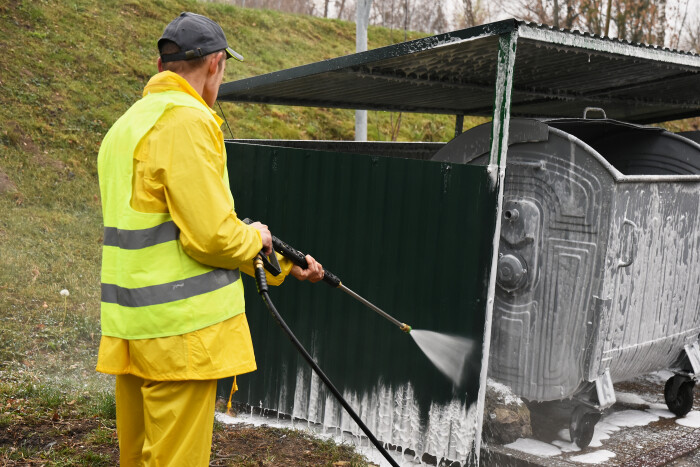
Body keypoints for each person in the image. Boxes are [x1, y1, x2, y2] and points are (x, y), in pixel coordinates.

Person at [95, 11, 324, 466]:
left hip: (133, 332)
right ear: (216, 63)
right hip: (181, 337)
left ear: (164, 67)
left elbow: (172, 228)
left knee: (139, 460)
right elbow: (211, 237)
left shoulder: (127, 126)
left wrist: (275, 261)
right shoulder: (187, 122)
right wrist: (256, 235)